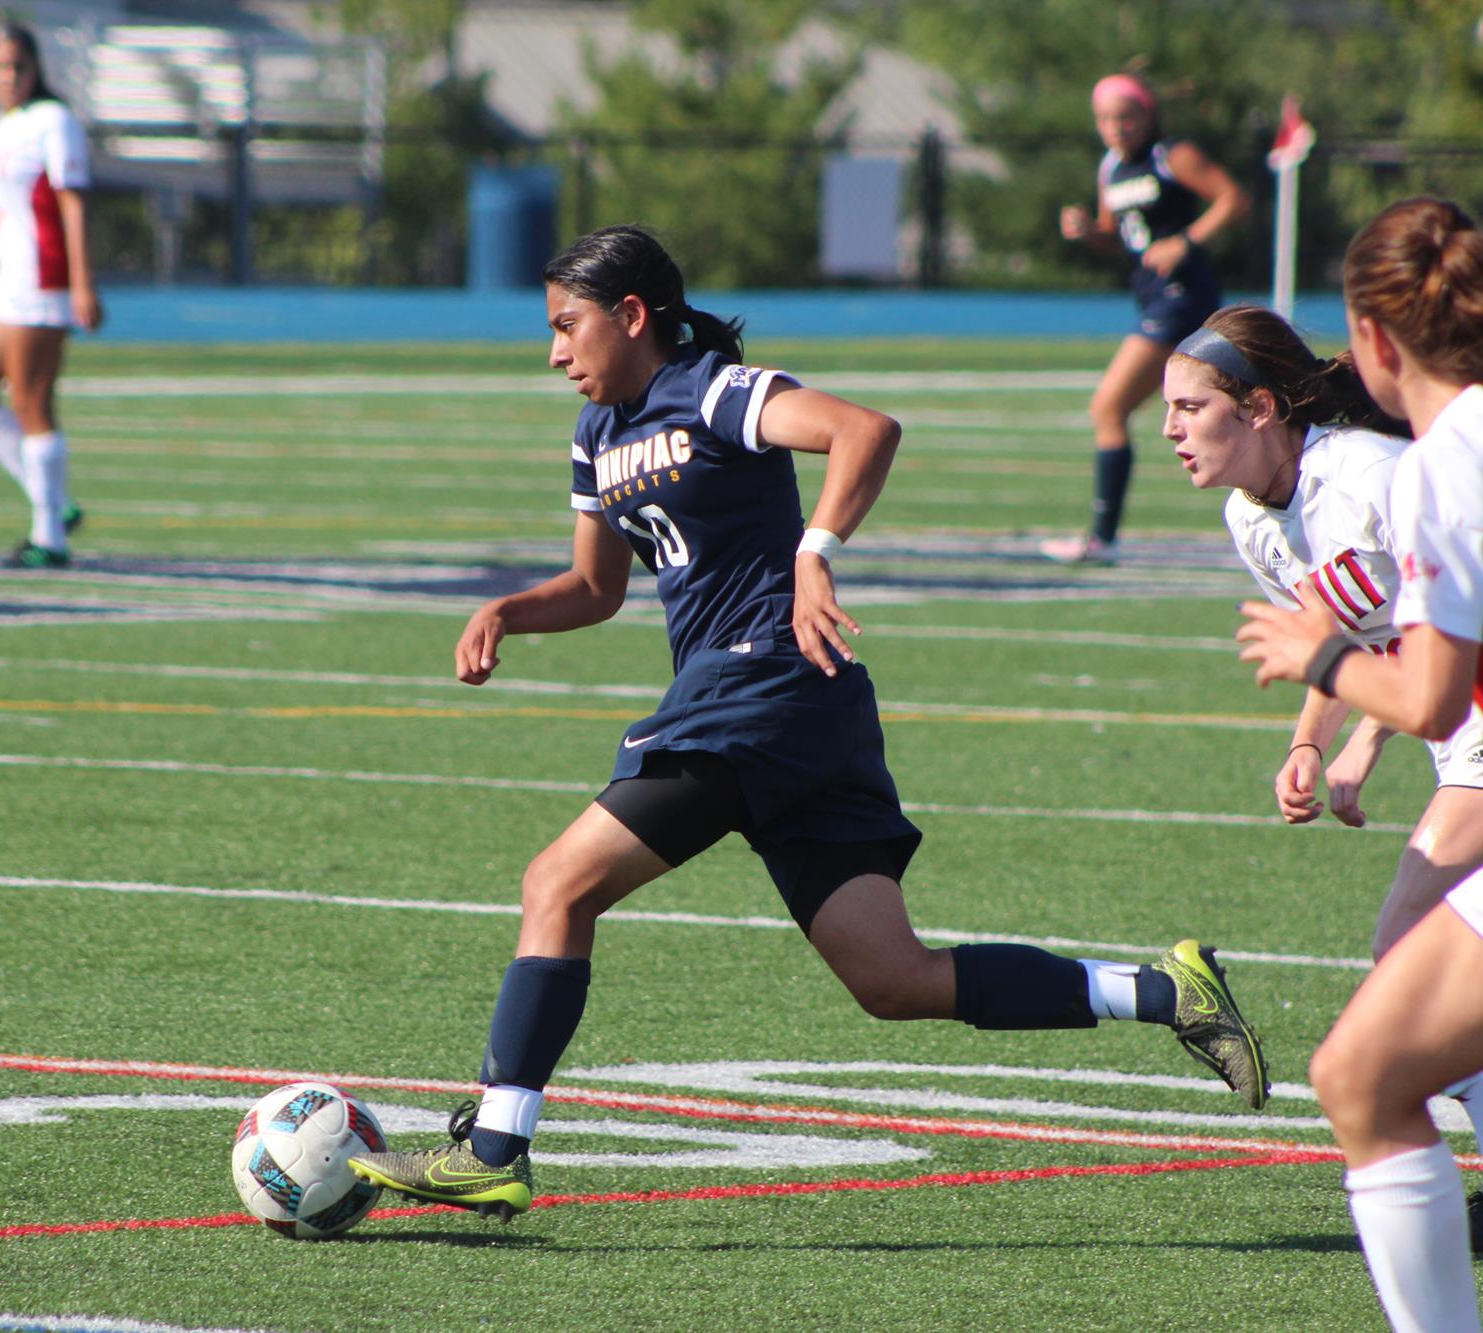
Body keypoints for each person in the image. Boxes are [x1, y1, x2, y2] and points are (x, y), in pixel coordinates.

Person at [347, 224, 1270, 1223]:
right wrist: (504, 612)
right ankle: (1165, 992)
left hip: (760, 691)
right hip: (799, 712)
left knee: (554, 883)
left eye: (568, 327)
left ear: (630, 315)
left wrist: (814, 549)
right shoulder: (596, 437)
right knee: (891, 977)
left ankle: (494, 1146)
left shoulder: (712, 389)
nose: (555, 352)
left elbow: (865, 429)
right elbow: (594, 585)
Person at [1237, 197, 1483, 1332]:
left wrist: (1320, 659)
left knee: (1358, 1075)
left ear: (1375, 342)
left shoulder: (1427, 469)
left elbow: (1427, 690)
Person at [1044, 73, 1248, 567]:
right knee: (1239, 401)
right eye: (1107, 119)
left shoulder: (1171, 155)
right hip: (1153, 298)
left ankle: (1103, 539)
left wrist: (1186, 241)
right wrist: (1088, 232)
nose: (1117, 127)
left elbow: (1233, 199)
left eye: (1127, 117)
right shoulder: (1110, 167)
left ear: (1148, 116)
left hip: (1181, 298)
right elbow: (1117, 237)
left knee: (1108, 408)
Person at [0, 21, 101, 569]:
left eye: (20, 66)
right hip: (6, 280)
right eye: (0, 67)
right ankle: (56, 503)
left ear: (36, 69)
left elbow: (72, 204)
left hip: (43, 279)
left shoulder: (53, 121)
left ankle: (49, 538)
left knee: (32, 404)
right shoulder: (5, 124)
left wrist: (83, 282)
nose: (10, 76)